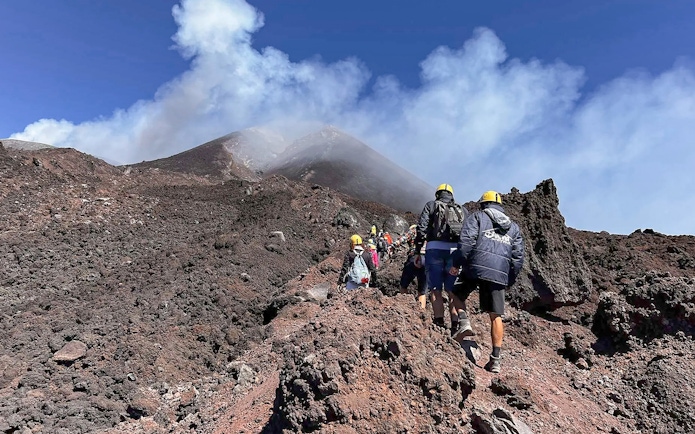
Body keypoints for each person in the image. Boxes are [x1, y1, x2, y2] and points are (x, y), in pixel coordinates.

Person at [450, 190, 524, 374]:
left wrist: (457, 263)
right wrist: (509, 279)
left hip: (475, 266)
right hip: (499, 273)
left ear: (484, 203)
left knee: (455, 293)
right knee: (496, 315)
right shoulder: (513, 228)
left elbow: (466, 242)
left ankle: (464, 321)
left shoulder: (477, 217)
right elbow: (518, 258)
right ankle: (496, 360)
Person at [413, 184, 468, 335]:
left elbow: (421, 228)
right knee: (452, 290)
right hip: (454, 252)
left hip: (434, 250)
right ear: (451, 194)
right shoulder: (462, 210)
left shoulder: (431, 205)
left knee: (436, 289)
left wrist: (418, 250)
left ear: (437, 194)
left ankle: (439, 323)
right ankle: (456, 325)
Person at [391, 225, 428, 309]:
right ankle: (421, 312)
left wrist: (393, 246)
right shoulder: (431, 230)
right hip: (427, 260)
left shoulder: (415, 229)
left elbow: (403, 239)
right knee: (422, 292)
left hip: (414, 258)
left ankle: (403, 307)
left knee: (403, 285)